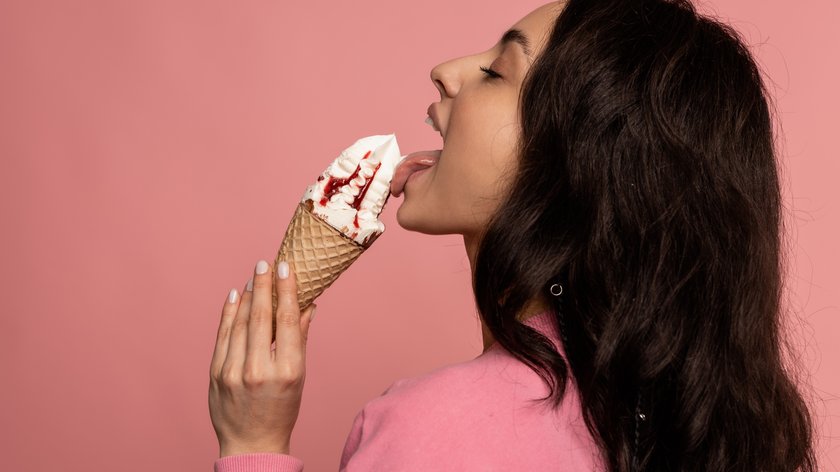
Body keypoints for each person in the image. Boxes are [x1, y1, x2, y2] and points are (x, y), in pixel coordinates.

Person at [208, 0, 819, 470]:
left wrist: (253, 443)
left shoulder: (429, 432)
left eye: (498, 72)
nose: (445, 71)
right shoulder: (708, 432)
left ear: (575, 163)